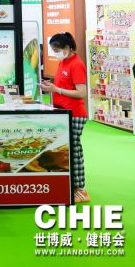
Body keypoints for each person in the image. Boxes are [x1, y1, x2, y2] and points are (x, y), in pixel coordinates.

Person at [40, 32, 89, 203]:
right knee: (65, 151)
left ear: (67, 48)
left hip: (74, 114)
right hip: (62, 112)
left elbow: (81, 92)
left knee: (74, 151)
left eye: (57, 50)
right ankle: (71, 186)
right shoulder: (63, 62)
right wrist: (51, 87)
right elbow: (62, 85)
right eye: (53, 50)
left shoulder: (76, 64)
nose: (55, 53)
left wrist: (57, 90)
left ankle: (81, 189)